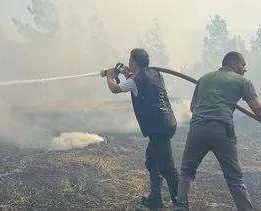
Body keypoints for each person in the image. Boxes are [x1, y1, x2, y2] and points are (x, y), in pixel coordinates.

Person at [173, 51, 261, 211]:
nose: (245, 69)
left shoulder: (204, 78)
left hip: (197, 129)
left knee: (186, 172)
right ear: (234, 64)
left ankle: (180, 207)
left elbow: (193, 107)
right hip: (222, 130)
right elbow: (258, 111)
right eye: (243, 65)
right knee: (234, 178)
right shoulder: (243, 81)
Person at [106, 48, 179, 209]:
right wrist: (126, 72)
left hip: (158, 126)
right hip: (166, 122)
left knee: (167, 168)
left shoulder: (135, 80)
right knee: (151, 161)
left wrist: (110, 76)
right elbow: (138, 83)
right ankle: (155, 198)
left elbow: (114, 88)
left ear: (135, 62)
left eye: (130, 61)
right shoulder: (156, 74)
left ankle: (180, 205)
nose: (128, 63)